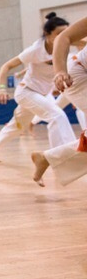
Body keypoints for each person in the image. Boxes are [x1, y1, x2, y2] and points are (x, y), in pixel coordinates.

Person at [0, 13, 75, 162]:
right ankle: (63, 159)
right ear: (47, 34)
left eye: (66, 33)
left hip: (42, 94)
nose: (64, 37)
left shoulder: (66, 44)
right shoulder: (35, 50)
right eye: (59, 34)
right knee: (57, 115)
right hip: (26, 92)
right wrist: (1, 88)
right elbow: (6, 66)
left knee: (17, 127)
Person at [32, 15, 87, 186]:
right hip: (78, 75)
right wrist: (60, 71)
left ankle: (46, 158)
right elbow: (64, 37)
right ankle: (47, 158)